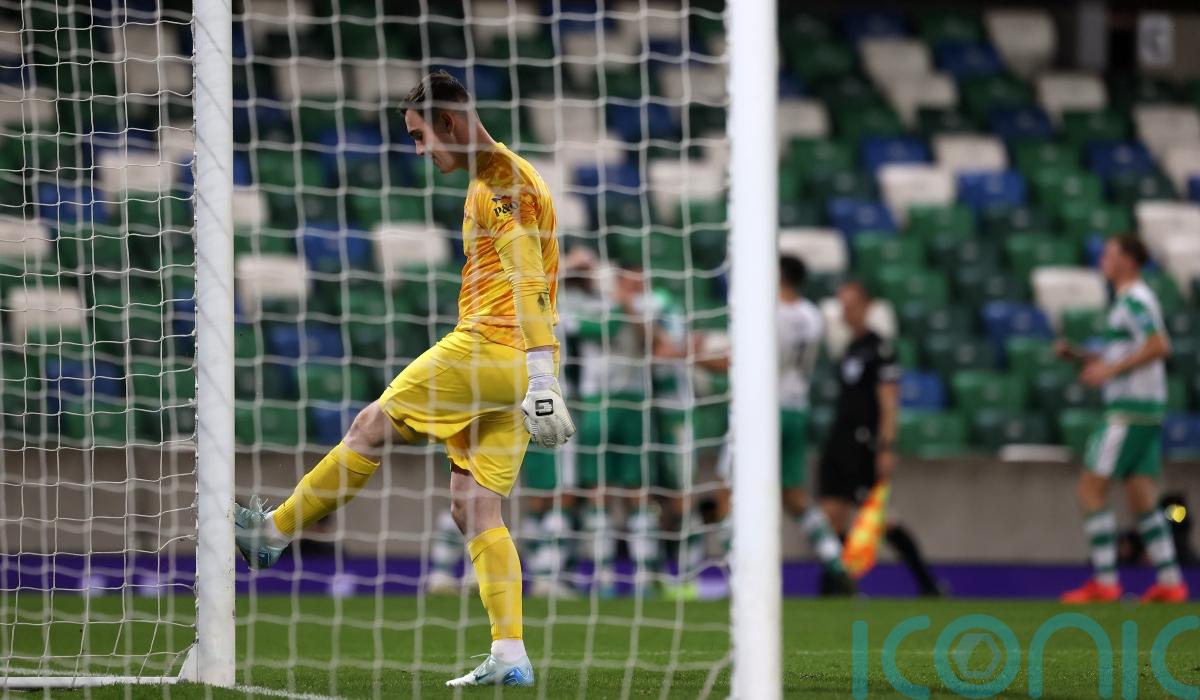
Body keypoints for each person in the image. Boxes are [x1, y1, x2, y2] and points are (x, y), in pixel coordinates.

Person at [232, 70, 577, 688]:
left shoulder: (501, 183)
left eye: (420, 136)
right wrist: (538, 374)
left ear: (449, 121)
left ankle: (272, 534)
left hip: (492, 348)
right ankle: (510, 653)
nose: (419, 150)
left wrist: (543, 372)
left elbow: (527, 276)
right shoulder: (502, 175)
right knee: (475, 506)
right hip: (517, 368)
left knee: (370, 426)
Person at [706, 256, 853, 595]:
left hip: (760, 411)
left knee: (727, 491)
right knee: (793, 495)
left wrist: (694, 356)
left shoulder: (767, 312)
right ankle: (836, 560)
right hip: (795, 409)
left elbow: (740, 361)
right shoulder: (812, 315)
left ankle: (740, 581)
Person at [1058, 234, 1188, 603]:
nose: (1103, 259)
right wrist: (1081, 356)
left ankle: (1105, 581)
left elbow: (1159, 345)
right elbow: (1127, 352)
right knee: (1142, 497)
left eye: (1110, 253)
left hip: (1129, 411)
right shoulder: (1131, 301)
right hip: (1146, 411)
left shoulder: (1133, 300)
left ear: (1129, 261)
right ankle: (1170, 582)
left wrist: (1110, 371)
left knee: (1090, 490)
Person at [817, 281, 941, 596]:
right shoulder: (849, 348)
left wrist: (886, 446)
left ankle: (927, 583)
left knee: (879, 517)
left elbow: (889, 401)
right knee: (831, 513)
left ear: (867, 306)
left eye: (852, 304)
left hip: (865, 440)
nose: (846, 311)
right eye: (843, 305)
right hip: (841, 437)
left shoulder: (879, 350)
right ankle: (833, 588)